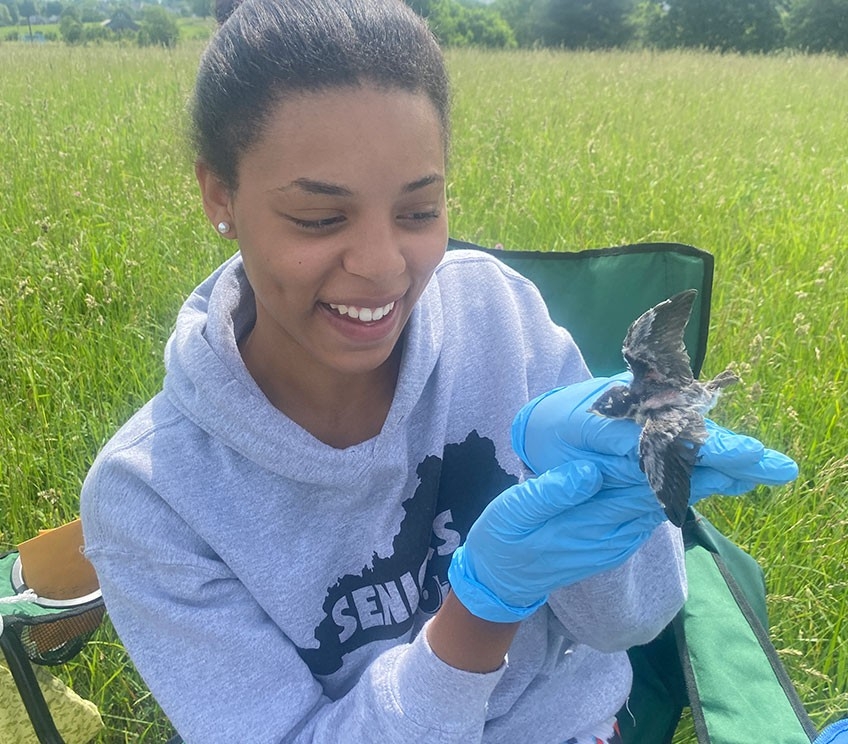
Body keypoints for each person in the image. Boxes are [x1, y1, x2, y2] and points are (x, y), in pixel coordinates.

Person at [79, 1, 797, 742]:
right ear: (218, 195)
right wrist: (479, 616)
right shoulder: (154, 497)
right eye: (321, 219)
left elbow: (634, 620)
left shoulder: (497, 317)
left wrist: (628, 508)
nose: (383, 267)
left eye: (419, 211)